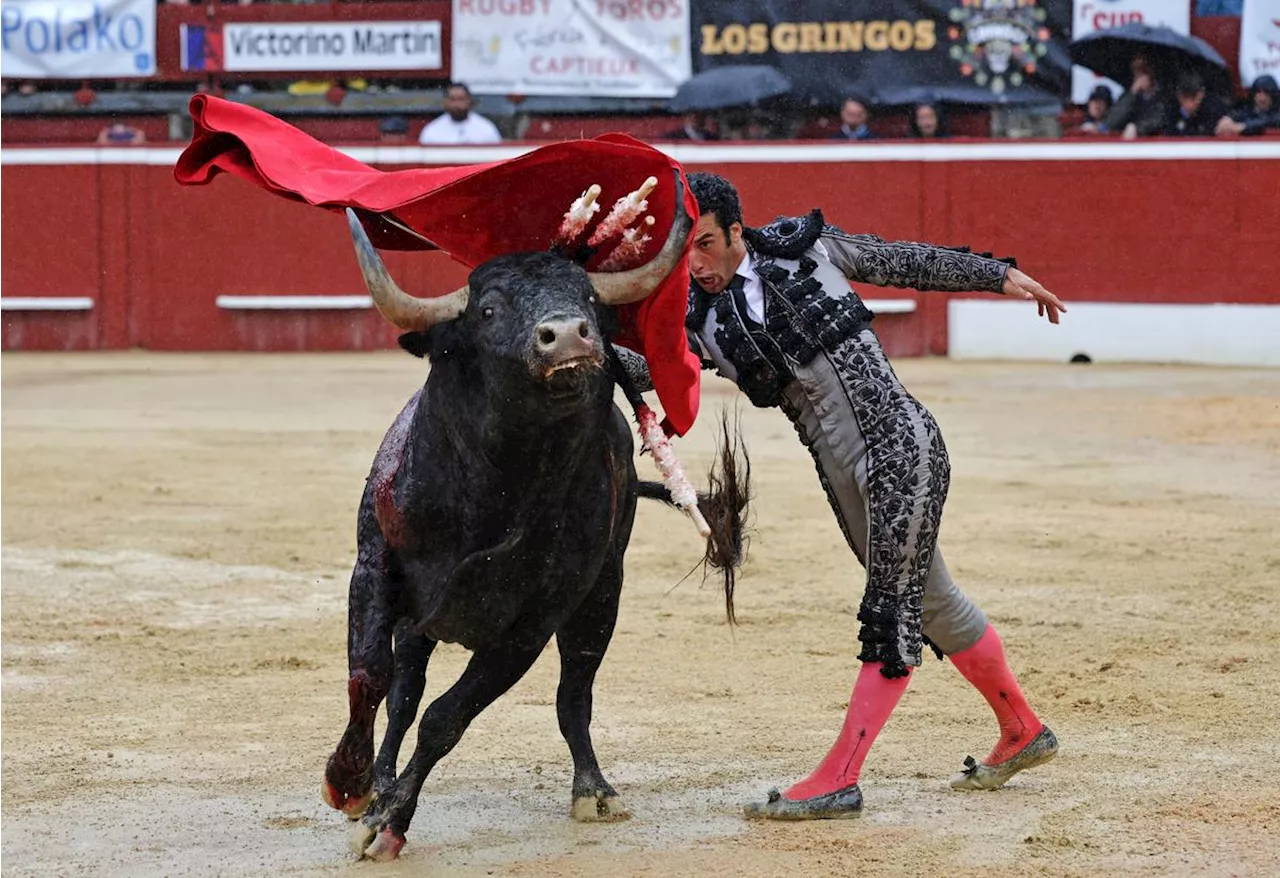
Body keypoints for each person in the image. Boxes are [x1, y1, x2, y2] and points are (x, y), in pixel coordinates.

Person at [616, 172, 1065, 819]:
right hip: (844, 479)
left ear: (736, 231)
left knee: (891, 610)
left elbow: (903, 259)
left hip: (901, 445)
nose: (698, 265)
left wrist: (997, 277)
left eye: (707, 245)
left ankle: (840, 776)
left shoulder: (807, 249)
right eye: (686, 252)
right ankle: (1022, 729)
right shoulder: (703, 319)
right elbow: (653, 367)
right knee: (931, 601)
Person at [1105, 54, 1173, 140]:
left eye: (1144, 68)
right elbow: (1112, 122)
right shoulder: (1128, 95)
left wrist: (1138, 128)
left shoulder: (1165, 93)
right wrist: (1132, 93)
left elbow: (1162, 118)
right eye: (1136, 68)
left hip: (1156, 143)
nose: (1140, 72)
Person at [417, 83, 502, 145]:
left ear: (469, 101)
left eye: (461, 99)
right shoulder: (432, 130)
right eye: (452, 99)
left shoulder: (486, 128)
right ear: (445, 102)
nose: (457, 104)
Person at [1165, 71, 1229, 137]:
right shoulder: (1170, 111)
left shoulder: (1214, 109)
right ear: (1178, 95)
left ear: (1201, 94)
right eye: (1184, 98)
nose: (1189, 104)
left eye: (1193, 98)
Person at [1215, 74, 1280, 137]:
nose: (1262, 98)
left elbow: (1269, 122)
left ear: (1273, 96)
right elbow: (1239, 114)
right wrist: (1228, 119)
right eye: (1258, 93)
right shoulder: (1248, 109)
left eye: (1266, 93)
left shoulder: (1277, 113)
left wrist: (1243, 127)